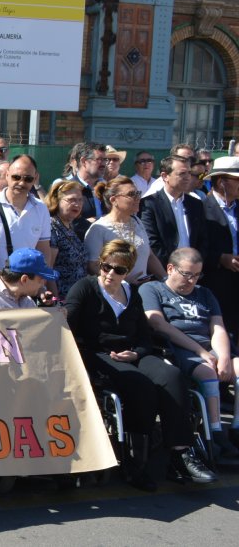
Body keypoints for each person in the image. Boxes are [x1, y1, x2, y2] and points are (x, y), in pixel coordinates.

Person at [65, 240, 217, 489]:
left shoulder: (132, 293)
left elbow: (145, 337)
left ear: (129, 271)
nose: (110, 274)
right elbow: (68, 324)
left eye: (119, 270)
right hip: (98, 354)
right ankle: (135, 465)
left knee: (172, 376)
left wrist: (136, 354)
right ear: (100, 264)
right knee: (140, 386)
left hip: (133, 353)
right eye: (106, 267)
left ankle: (180, 455)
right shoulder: (85, 288)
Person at [140, 247, 239, 460]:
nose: (191, 280)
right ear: (170, 268)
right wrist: (201, 351)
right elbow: (158, 324)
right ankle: (215, 432)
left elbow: (218, 328)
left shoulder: (205, 293)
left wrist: (223, 358)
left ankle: (236, 428)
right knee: (207, 373)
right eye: (186, 274)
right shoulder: (153, 289)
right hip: (180, 347)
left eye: (196, 275)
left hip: (210, 346)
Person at [0, 154, 51, 282]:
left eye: (28, 179)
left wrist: (40, 284)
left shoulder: (41, 208)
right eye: (16, 177)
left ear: (35, 178)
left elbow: (44, 251)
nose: (21, 182)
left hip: (24, 287)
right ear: (7, 175)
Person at [84, 177, 162, 284]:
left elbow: (150, 256)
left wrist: (166, 279)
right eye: (131, 194)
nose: (137, 198)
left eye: (138, 193)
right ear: (113, 200)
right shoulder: (98, 229)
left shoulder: (137, 221)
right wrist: (123, 283)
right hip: (116, 292)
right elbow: (92, 266)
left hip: (142, 289)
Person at [139, 155, 206, 269]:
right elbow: (152, 242)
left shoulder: (196, 204)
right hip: (165, 272)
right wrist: (175, 268)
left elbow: (203, 239)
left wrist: (195, 265)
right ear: (165, 176)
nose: (187, 177)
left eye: (189, 173)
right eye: (182, 173)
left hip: (194, 272)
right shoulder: (149, 204)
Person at [201, 156, 239, 338]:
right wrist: (220, 258)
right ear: (222, 181)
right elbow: (196, 246)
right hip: (216, 281)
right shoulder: (201, 208)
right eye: (237, 179)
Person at [45, 180, 89, 299]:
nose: (77, 204)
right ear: (57, 201)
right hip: (63, 299)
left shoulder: (70, 226)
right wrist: (56, 300)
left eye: (80, 200)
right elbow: (48, 269)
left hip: (79, 297)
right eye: (71, 200)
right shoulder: (51, 227)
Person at [68, 142, 106, 221]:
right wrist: (89, 223)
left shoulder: (106, 188)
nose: (103, 164)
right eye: (99, 159)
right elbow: (66, 222)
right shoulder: (69, 189)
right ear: (84, 161)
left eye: (105, 160)